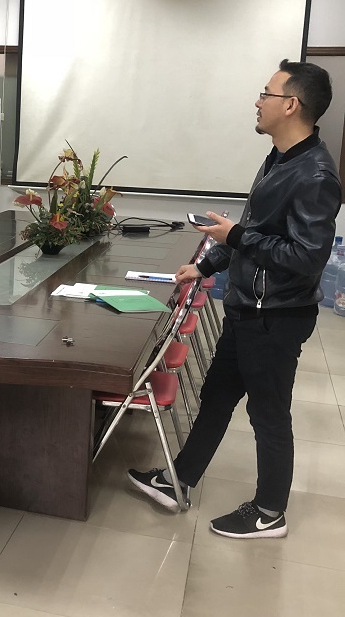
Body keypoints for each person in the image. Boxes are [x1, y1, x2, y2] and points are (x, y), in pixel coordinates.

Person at [128, 59, 341, 539]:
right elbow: (253, 231)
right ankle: (178, 480)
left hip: (276, 316)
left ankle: (269, 513)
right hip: (249, 308)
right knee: (217, 396)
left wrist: (237, 236)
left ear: (291, 104)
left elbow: (306, 257)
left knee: (268, 414)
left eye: (266, 93)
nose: (257, 102)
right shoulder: (279, 159)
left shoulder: (315, 174)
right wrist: (205, 265)